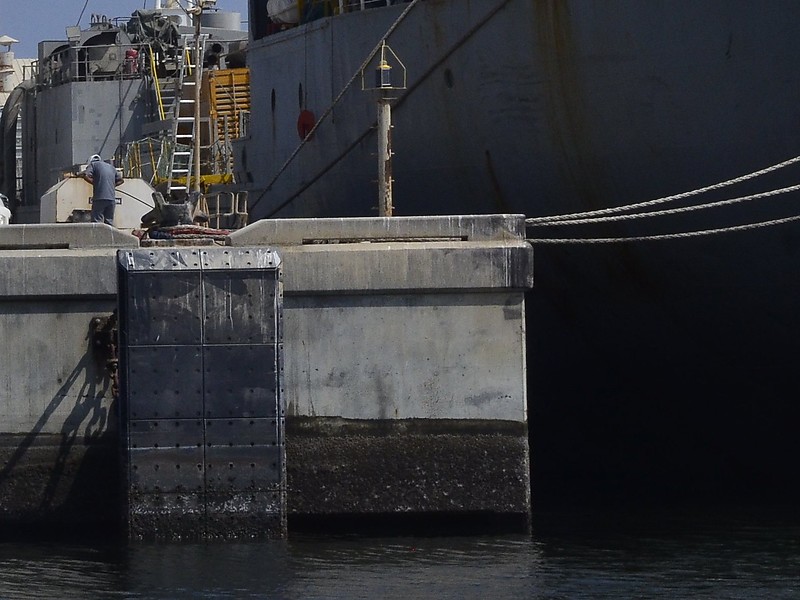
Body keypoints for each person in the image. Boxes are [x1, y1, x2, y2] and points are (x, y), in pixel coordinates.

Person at [83, 154, 123, 226]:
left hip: (99, 198)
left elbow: (86, 176)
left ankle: (98, 237)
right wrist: (112, 185)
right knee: (109, 223)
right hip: (111, 199)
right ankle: (109, 237)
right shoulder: (111, 167)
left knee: (97, 222)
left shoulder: (93, 165)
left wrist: (95, 183)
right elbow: (121, 180)